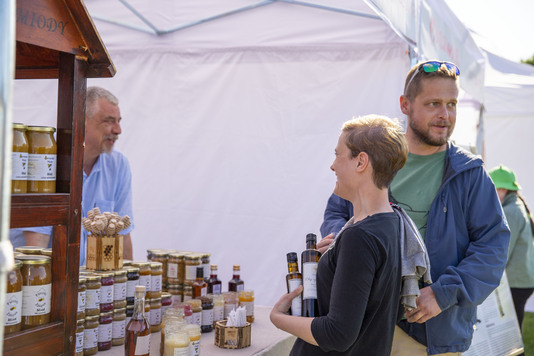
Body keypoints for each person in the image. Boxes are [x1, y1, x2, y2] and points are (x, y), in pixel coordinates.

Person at [319, 61, 510, 355]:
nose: (445, 115)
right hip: (366, 325)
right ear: (405, 105)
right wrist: (339, 239)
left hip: (434, 336)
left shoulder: (471, 174)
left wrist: (442, 292)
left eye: (452, 104)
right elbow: (336, 213)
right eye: (433, 103)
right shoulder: (379, 159)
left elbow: (493, 248)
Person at [271, 115, 408, 355]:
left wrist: (278, 317)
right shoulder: (392, 222)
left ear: (361, 162)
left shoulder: (360, 236)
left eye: (338, 154)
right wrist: (335, 260)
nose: (332, 165)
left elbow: (338, 335)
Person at [10, 86, 134, 264]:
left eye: (119, 121)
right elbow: (35, 245)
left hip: (88, 282)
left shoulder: (118, 164)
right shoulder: (47, 161)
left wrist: (127, 284)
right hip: (48, 279)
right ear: (81, 122)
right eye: (109, 121)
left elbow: (122, 235)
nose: (118, 130)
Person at [489, 165, 534, 334]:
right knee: (514, 330)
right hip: (523, 281)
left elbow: (503, 251)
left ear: (502, 189)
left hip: (516, 283)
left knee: (510, 334)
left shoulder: (510, 211)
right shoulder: (516, 205)